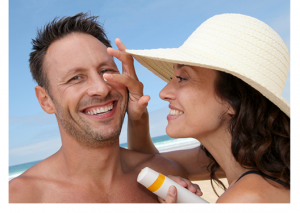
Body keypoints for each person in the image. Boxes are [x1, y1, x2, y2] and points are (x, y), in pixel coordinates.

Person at [9, 13, 200, 203]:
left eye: (106, 71)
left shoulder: (168, 177)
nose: (101, 88)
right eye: (75, 78)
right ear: (45, 100)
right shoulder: (20, 198)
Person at [123, 13, 290, 203]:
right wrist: (138, 116)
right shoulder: (247, 160)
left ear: (231, 100)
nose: (163, 92)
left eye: (183, 78)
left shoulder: (246, 198)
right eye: (172, 78)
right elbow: (150, 163)